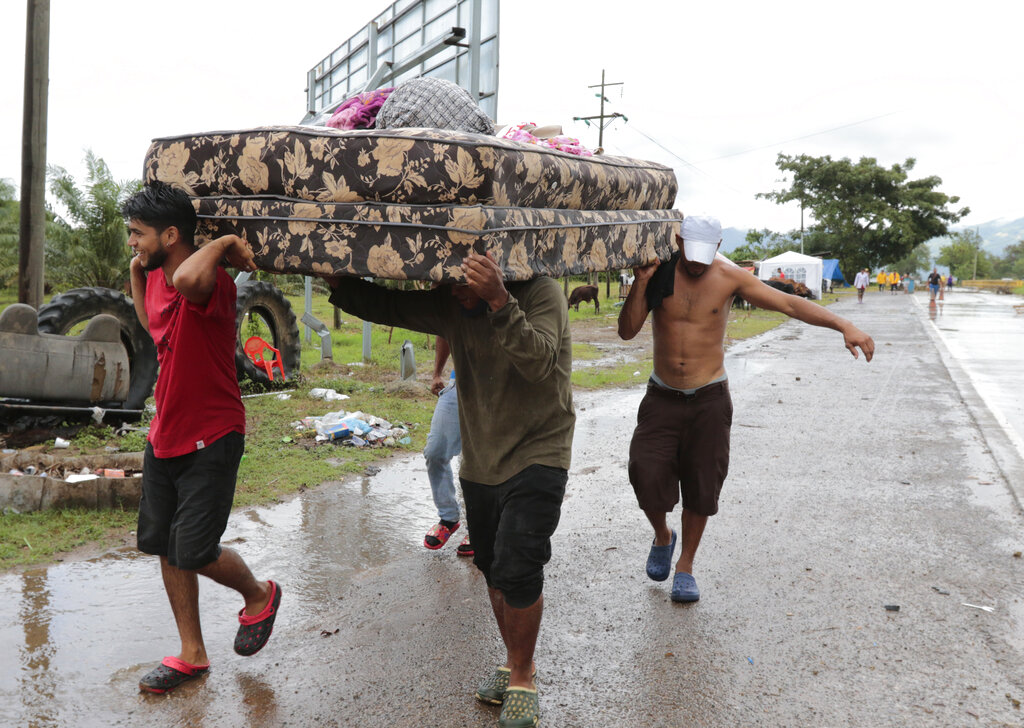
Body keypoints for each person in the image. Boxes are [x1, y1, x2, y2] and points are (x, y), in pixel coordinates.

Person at [323, 253, 574, 728]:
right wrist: (337, 277)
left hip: (540, 449)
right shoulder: (451, 302)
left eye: (465, 283)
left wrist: (499, 299)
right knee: (493, 568)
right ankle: (512, 659)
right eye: (448, 281)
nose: (456, 291)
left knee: (519, 566)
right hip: (482, 455)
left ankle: (523, 674)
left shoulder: (542, 294)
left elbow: (540, 362)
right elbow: (389, 307)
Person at [618, 215, 874, 604]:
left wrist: (843, 325)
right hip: (662, 397)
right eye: (690, 253)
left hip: (709, 398)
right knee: (645, 472)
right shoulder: (658, 272)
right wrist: (640, 282)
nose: (697, 264)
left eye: (706, 255)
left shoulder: (730, 277)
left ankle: (685, 566)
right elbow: (627, 330)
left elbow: (789, 303)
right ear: (677, 239)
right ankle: (662, 535)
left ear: (718, 246)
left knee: (702, 485)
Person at [124, 182, 281, 694]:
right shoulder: (153, 277)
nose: (132, 243)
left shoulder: (213, 284)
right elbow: (151, 320)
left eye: (138, 234)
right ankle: (192, 653)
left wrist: (225, 244)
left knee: (192, 549)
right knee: (165, 548)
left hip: (213, 435)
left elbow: (191, 273)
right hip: (164, 434)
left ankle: (259, 594)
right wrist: (138, 266)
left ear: (172, 234)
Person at [422, 336, 473, 556]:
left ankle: (480, 527)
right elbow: (445, 331)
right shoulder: (455, 302)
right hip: (457, 384)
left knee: (479, 460)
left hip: (497, 388)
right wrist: (437, 373)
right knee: (435, 451)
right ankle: (449, 517)